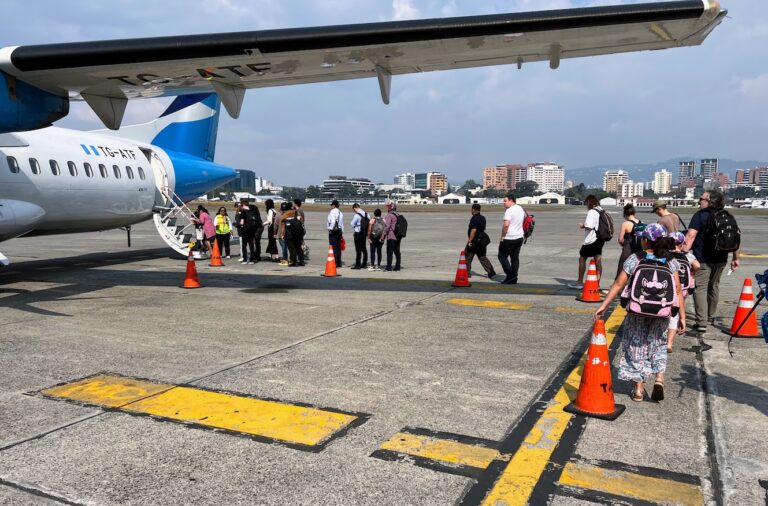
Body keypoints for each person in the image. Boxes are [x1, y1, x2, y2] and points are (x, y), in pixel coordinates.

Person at [595, 223, 685, 403]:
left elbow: (619, 283)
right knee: (658, 344)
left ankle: (638, 389)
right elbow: (677, 290)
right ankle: (659, 378)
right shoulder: (670, 261)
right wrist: (682, 316)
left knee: (636, 345)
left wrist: (604, 305)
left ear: (645, 240)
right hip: (662, 312)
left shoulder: (636, 258)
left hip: (637, 310)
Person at [682, 190, 740, 336]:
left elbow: (690, 235)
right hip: (721, 259)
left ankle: (701, 323)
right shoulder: (726, 215)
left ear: (710, 201)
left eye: (702, 199)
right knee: (713, 286)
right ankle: (710, 316)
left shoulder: (700, 215)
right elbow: (735, 237)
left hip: (703, 259)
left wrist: (682, 253)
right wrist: (735, 258)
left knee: (700, 288)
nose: (699, 201)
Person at [667, 231, 700, 352]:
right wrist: (691, 272)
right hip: (682, 288)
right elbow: (697, 265)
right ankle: (669, 343)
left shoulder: (664, 255)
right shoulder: (687, 256)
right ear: (682, 244)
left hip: (667, 288)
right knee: (675, 312)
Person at [569, 195, 605, 290]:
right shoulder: (601, 210)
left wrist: (583, 225)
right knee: (598, 260)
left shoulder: (592, 212)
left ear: (590, 203)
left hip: (591, 240)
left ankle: (579, 282)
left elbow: (589, 226)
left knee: (582, 259)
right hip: (600, 239)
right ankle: (597, 283)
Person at [497, 193, 525, 284]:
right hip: (519, 237)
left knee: (502, 256)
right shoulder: (520, 208)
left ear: (511, 200)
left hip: (509, 238)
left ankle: (510, 275)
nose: (503, 203)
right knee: (514, 258)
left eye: (505, 201)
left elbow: (506, 225)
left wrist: (502, 236)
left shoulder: (509, 210)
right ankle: (514, 277)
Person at [466, 203, 496, 279]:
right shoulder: (483, 218)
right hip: (482, 241)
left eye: (471, 209)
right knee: (482, 257)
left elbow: (473, 230)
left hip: (474, 242)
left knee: (468, 256)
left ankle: (467, 273)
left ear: (473, 209)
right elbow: (483, 228)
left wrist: (470, 241)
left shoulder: (474, 218)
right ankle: (491, 272)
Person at [616, 204, 642, 278]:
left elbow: (620, 239)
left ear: (625, 214)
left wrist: (623, 244)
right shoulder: (641, 223)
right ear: (634, 213)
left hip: (628, 249)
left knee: (622, 269)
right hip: (639, 250)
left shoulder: (625, 224)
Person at [238, 199, 259, 264]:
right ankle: (251, 260)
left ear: (243, 205)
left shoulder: (243, 212)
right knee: (251, 246)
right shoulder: (252, 211)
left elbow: (242, 222)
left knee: (244, 246)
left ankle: (245, 260)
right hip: (252, 231)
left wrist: (238, 224)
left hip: (245, 231)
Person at [383, 201, 402, 271]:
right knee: (397, 252)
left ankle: (389, 267)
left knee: (389, 252)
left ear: (391, 207)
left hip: (391, 236)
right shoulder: (397, 215)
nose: (387, 208)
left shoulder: (389, 215)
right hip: (398, 236)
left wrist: (383, 235)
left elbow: (387, 227)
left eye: (388, 207)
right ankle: (398, 266)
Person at [350, 203, 369, 270]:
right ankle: (364, 263)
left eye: (354, 210)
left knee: (358, 249)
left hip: (358, 233)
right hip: (364, 233)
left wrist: (356, 226)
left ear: (355, 208)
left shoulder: (356, 215)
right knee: (364, 248)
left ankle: (358, 265)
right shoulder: (367, 214)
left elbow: (352, 224)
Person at [327, 200, 344, 268]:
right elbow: (342, 224)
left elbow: (333, 221)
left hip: (333, 231)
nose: (331, 206)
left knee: (333, 247)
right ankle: (339, 262)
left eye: (331, 205)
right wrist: (342, 233)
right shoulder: (340, 212)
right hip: (339, 231)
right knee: (338, 247)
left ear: (334, 205)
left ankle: (335, 262)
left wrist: (330, 228)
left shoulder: (332, 212)